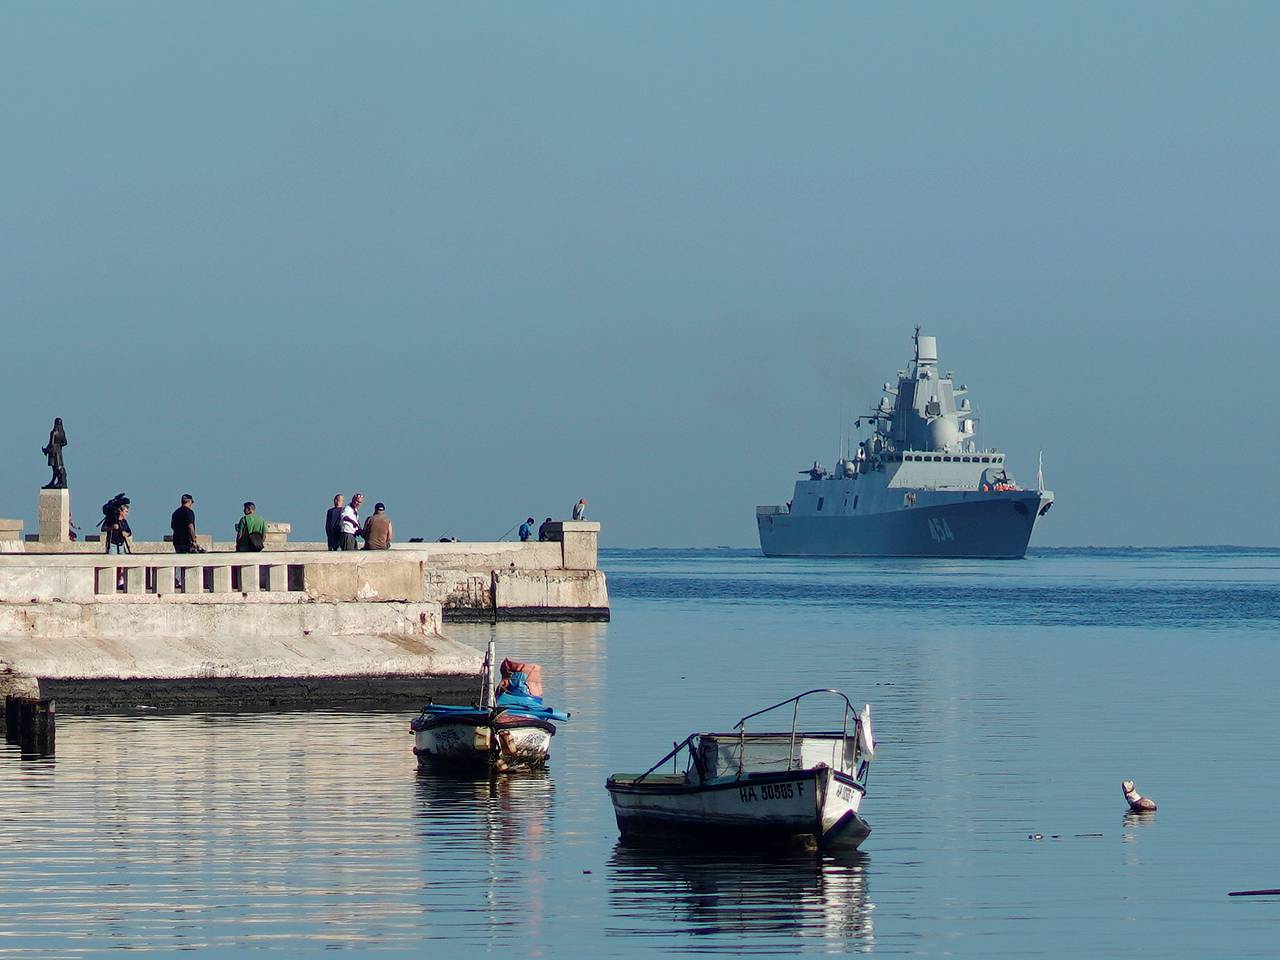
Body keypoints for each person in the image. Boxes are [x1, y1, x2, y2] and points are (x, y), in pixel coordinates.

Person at [42, 417, 68, 489]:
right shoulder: (62, 432)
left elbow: (51, 444)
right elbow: (65, 442)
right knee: (58, 466)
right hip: (59, 451)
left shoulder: (54, 432)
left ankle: (56, 481)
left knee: (55, 467)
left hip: (53, 451)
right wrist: (59, 445)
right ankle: (55, 481)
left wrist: (46, 450)